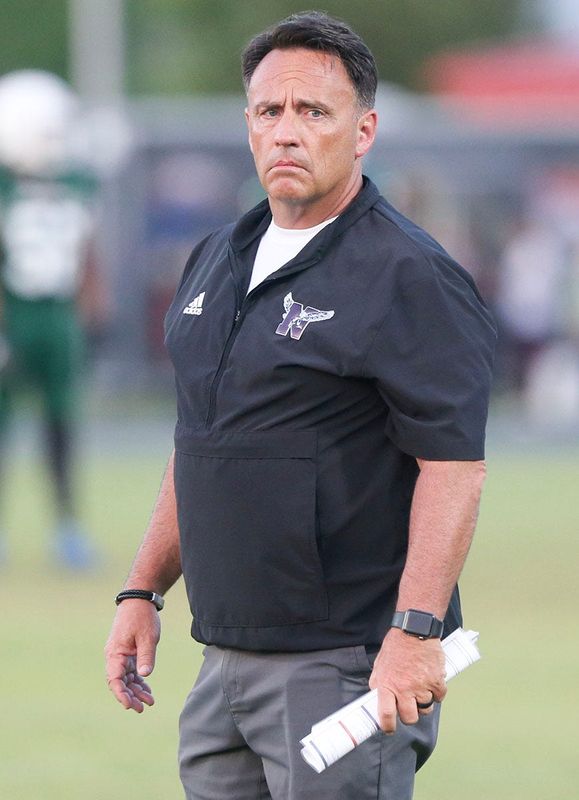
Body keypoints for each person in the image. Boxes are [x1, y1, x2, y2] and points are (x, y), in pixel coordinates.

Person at [105, 11, 496, 799]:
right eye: (267, 111)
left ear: (363, 130)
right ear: (248, 125)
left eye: (313, 111)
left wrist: (415, 634)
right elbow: (202, 442)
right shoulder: (215, 257)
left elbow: (452, 468)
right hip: (222, 662)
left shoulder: (407, 274)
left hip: (343, 666)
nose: (286, 131)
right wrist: (142, 590)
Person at [0, 70, 103, 569]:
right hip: (12, 312)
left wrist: (92, 311)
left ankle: (67, 526)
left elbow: (87, 254)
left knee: (61, 424)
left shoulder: (77, 180)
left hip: (59, 318)